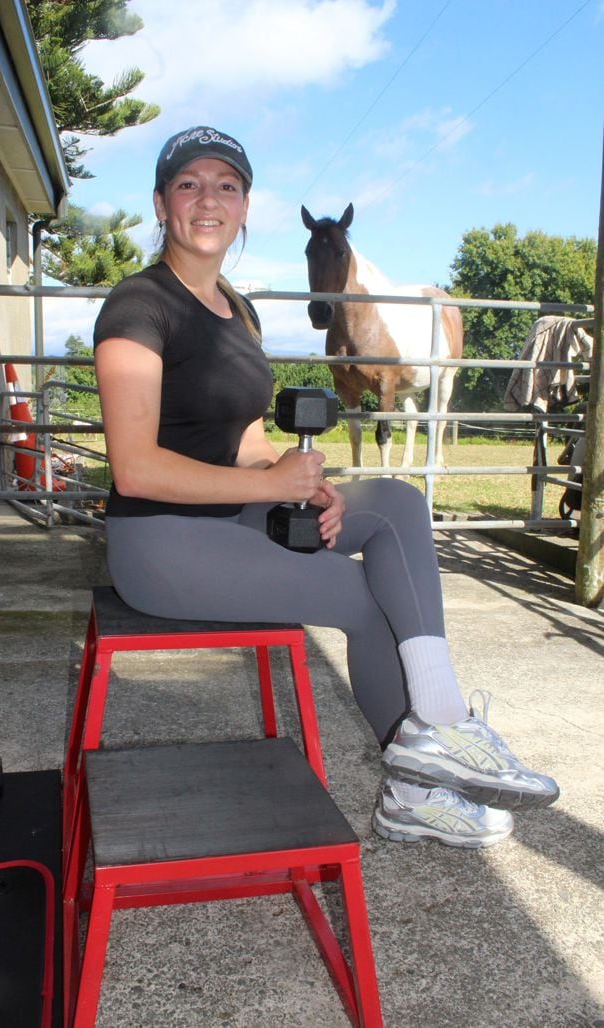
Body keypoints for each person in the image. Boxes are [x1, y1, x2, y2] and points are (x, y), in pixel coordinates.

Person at [93, 125, 559, 849]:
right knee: (358, 596)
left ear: (245, 207)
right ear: (161, 204)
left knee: (397, 502)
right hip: (160, 539)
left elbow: (245, 437)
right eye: (189, 184)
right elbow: (135, 467)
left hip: (231, 512)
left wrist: (301, 481)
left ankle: (434, 732)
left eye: (227, 185)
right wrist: (269, 481)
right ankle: (420, 772)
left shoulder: (236, 309)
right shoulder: (137, 307)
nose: (208, 199)